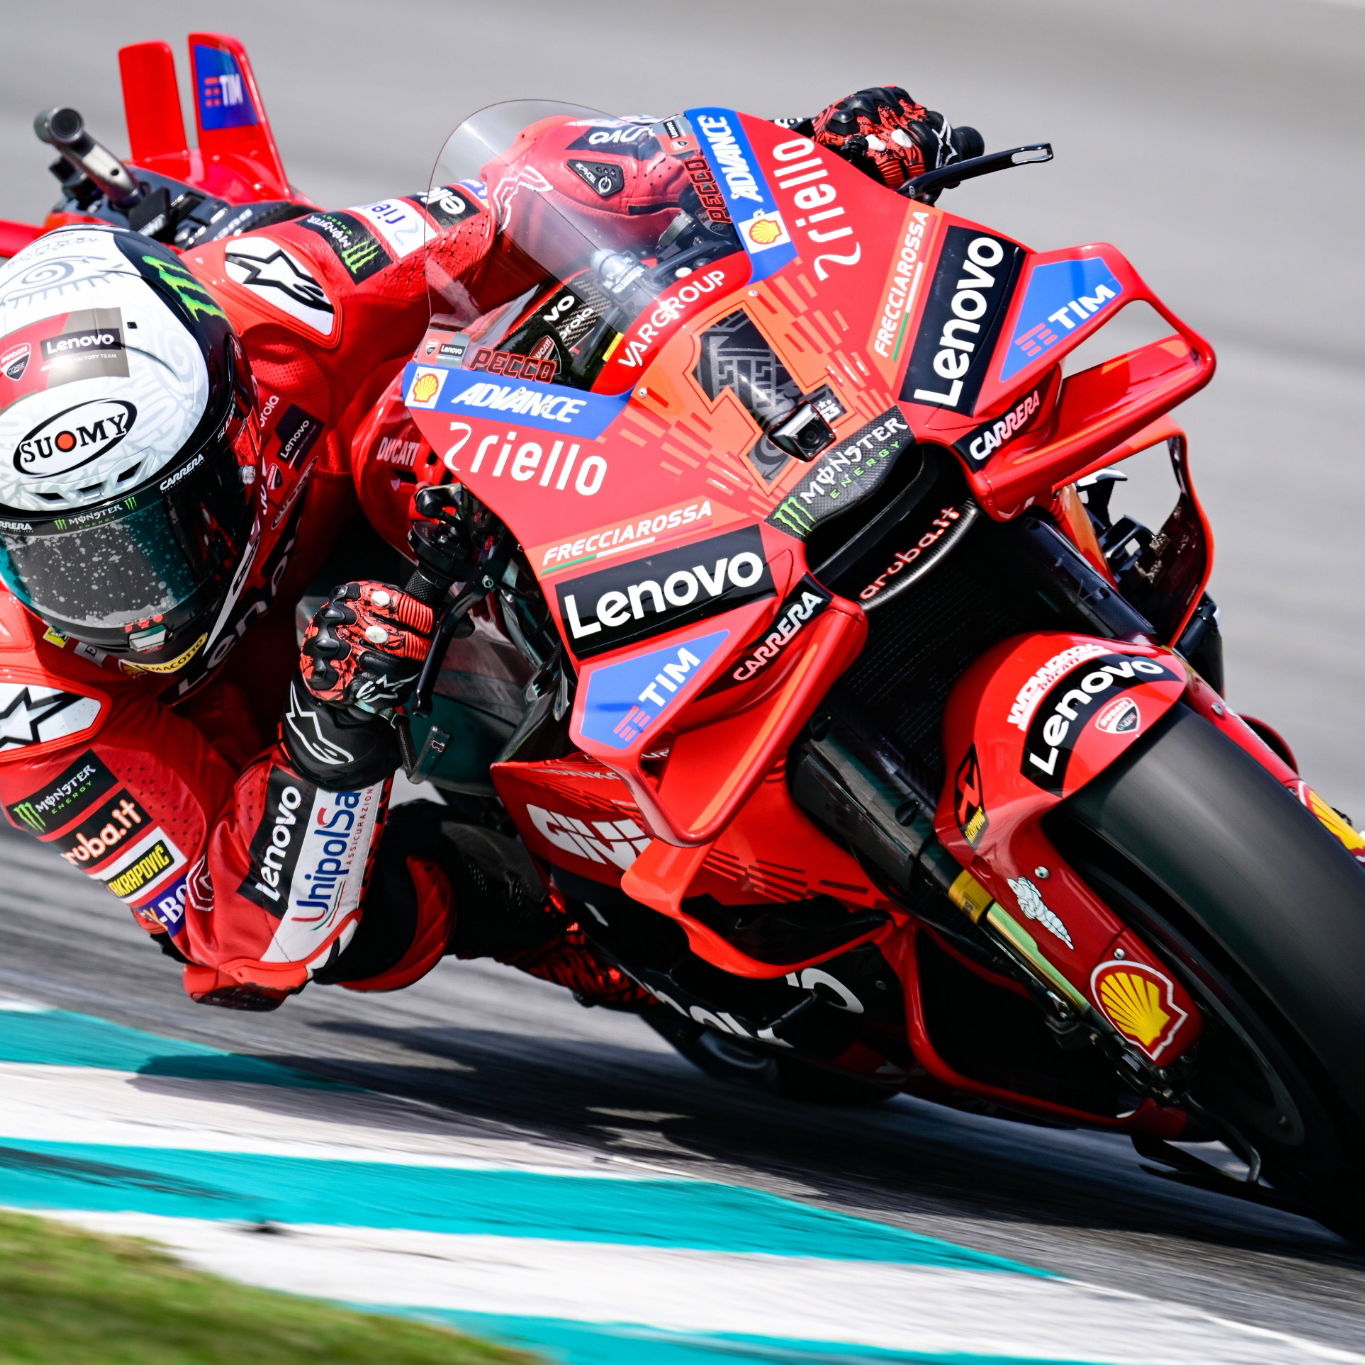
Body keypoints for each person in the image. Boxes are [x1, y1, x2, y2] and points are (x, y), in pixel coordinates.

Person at [0, 88, 967, 1011]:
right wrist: (326, 742)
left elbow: (516, 196)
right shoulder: (28, 697)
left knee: (506, 389)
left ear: (231, 438)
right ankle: (567, 912)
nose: (117, 603)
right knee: (361, 928)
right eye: (56, 559)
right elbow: (238, 947)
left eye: (137, 542)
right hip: (262, 715)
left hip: (383, 482)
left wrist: (784, 157)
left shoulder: (280, 296)